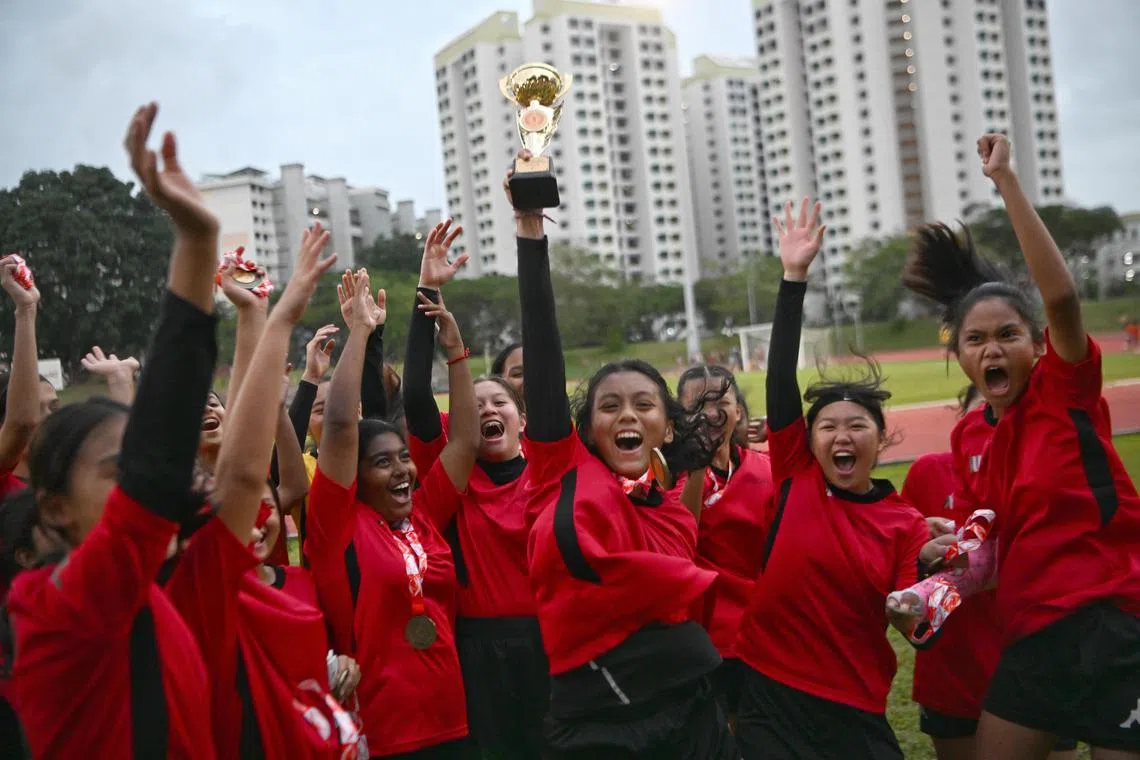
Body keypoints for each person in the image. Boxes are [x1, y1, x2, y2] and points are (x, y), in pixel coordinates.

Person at [901, 133, 1140, 759]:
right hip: (1031, 633)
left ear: (1037, 344)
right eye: (975, 340)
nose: (992, 349)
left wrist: (1005, 181)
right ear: (960, 357)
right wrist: (943, 568)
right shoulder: (970, 433)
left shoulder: (1066, 392)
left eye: (1009, 334)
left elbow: (1060, 297)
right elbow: (989, 543)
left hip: (1110, 622)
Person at [6, 101, 221, 758]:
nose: (141, 486)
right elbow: (156, 464)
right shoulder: (55, 612)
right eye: (115, 471)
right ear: (55, 507)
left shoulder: (156, 595)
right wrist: (195, 244)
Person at [509, 156, 736, 759]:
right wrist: (531, 233)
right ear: (584, 428)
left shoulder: (678, 511)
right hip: (598, 728)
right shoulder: (562, 471)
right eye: (609, 406)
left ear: (665, 424)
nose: (628, 416)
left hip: (689, 711)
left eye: (644, 404)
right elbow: (543, 349)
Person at [732, 199, 928, 760]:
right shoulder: (794, 475)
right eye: (829, 428)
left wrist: (931, 597)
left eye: (857, 427)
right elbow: (778, 383)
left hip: (853, 700)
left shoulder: (906, 523)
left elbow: (918, 621)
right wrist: (793, 278)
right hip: (770, 690)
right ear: (808, 440)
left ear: (881, 438)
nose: (842, 437)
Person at [306, 267, 481, 758]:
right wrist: (360, 331)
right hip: (381, 731)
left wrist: (456, 353)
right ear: (353, 477)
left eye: (403, 457)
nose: (403, 469)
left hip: (451, 720)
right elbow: (341, 423)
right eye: (382, 462)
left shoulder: (422, 513)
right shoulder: (336, 525)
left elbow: (464, 441)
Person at [403, 228, 548, 759]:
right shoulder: (451, 476)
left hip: (550, 639)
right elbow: (416, 392)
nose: (488, 409)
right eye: (477, 403)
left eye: (501, 402)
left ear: (524, 418)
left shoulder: (553, 471)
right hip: (478, 645)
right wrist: (429, 292)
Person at [900, 385, 1080, 760]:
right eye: (984, 411)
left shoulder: (1050, 473)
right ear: (962, 422)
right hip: (955, 674)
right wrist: (929, 549)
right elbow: (905, 566)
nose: (995, 423)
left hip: (1040, 660)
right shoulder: (928, 472)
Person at [675, 365, 774, 721]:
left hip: (763, 629)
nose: (711, 412)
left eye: (722, 401)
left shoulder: (766, 467)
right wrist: (698, 466)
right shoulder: (666, 474)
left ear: (740, 411)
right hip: (705, 635)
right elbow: (680, 537)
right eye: (698, 404)